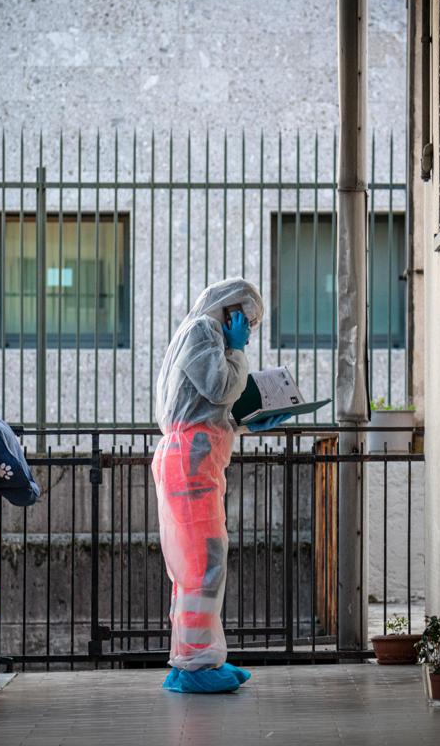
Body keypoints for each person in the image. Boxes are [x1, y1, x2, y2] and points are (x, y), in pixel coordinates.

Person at [152, 277, 289, 693]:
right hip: (192, 465)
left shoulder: (205, 336)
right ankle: (196, 666)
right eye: (247, 320)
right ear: (230, 311)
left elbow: (206, 408)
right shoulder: (202, 331)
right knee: (204, 566)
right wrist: (240, 352)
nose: (249, 329)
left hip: (194, 462)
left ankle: (193, 658)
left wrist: (247, 423)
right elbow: (220, 386)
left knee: (195, 566)